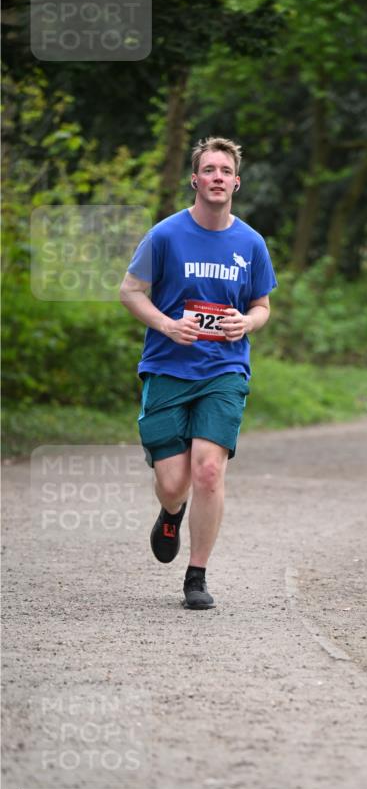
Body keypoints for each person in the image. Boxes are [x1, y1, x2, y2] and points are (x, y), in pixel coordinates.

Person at [120, 136, 277, 609]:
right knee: (173, 482)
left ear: (236, 182)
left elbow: (262, 305)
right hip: (168, 369)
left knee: (208, 471)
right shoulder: (166, 235)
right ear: (195, 179)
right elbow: (130, 291)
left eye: (225, 171)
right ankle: (171, 513)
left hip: (224, 370)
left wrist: (246, 322)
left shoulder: (250, 243)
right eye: (209, 170)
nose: (217, 178)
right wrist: (168, 325)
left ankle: (197, 576)